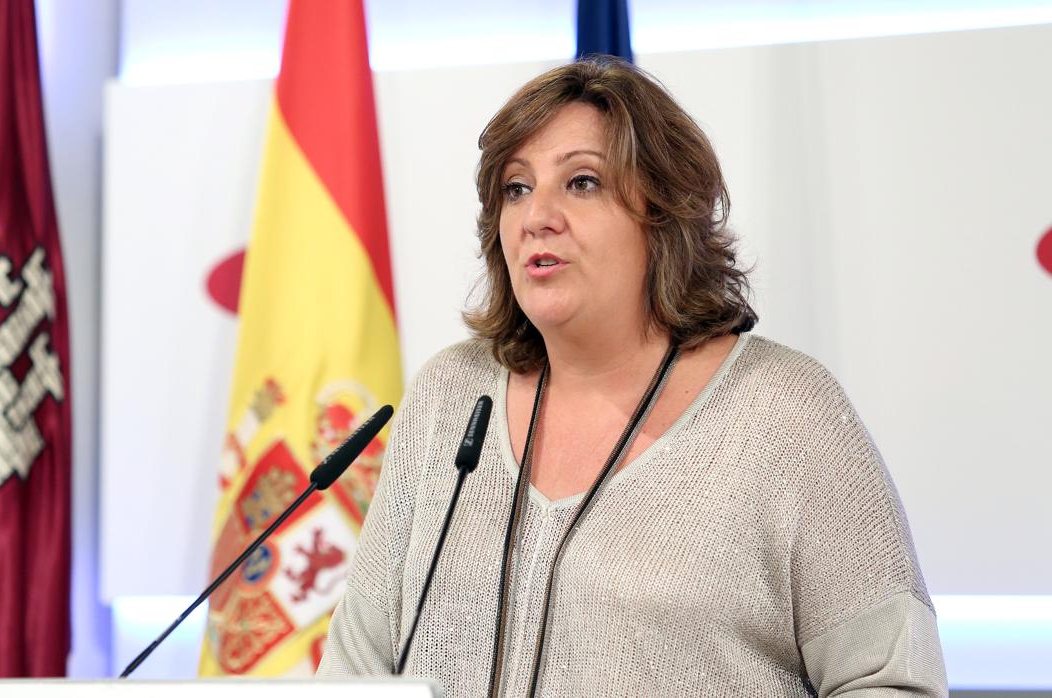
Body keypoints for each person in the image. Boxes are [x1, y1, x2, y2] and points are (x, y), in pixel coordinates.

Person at [317, 57, 946, 697]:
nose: (538, 215)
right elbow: (355, 667)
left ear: (662, 212)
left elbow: (894, 680)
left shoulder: (785, 413)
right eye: (516, 188)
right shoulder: (451, 396)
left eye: (582, 182)